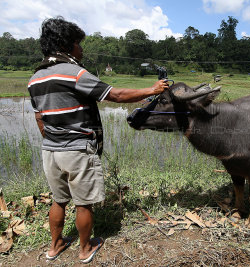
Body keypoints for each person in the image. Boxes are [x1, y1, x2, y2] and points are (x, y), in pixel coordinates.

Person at [28, 16, 168, 263]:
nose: (81, 49)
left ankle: (55, 245)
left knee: (58, 199)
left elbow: (40, 118)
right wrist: (152, 90)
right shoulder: (74, 73)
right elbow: (114, 94)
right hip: (77, 150)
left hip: (50, 150)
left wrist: (54, 140)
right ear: (67, 44)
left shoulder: (35, 78)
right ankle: (84, 249)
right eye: (79, 44)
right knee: (84, 203)